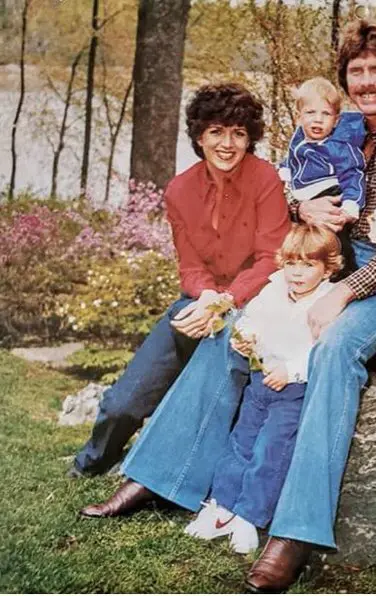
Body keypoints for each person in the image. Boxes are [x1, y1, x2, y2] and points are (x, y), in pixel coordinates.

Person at [78, 20, 376, 594]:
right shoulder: (335, 125)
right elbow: (301, 199)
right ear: (345, 81)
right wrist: (307, 217)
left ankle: (296, 530)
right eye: (357, 71)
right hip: (324, 258)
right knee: (237, 330)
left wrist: (345, 292)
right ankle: (160, 474)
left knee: (332, 350)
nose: (367, 81)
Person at [69, 82, 290, 477]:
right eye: (217, 132)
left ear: (250, 139)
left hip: (253, 307)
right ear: (200, 136)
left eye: (238, 134)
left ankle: (179, 475)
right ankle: (91, 463)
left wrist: (225, 302)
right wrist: (206, 298)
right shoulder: (179, 189)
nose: (227, 144)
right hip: (197, 303)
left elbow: (271, 259)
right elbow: (189, 266)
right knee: (123, 401)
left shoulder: (265, 179)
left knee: (215, 398)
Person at [182, 224, 343, 554]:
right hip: (260, 381)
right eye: (292, 263)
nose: (297, 273)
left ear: (327, 269)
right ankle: (221, 507)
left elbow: (321, 349)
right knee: (240, 443)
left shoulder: (329, 301)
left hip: (293, 390)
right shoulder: (273, 289)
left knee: (271, 450)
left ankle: (249, 516)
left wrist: (292, 370)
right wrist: (245, 337)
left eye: (308, 265)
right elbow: (251, 319)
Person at [279, 77, 366, 273]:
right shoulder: (299, 136)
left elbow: (353, 175)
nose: (318, 119)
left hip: (330, 192)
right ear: (299, 116)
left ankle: (345, 270)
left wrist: (352, 203)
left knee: (332, 237)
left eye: (326, 114)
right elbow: (294, 158)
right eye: (310, 112)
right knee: (305, 240)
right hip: (304, 194)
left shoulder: (339, 146)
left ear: (336, 120)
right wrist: (285, 169)